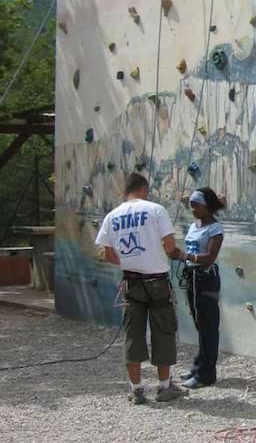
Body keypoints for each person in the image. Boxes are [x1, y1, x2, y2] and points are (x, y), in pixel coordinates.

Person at [95, 173, 191, 405]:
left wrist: (130, 260)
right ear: (144, 189)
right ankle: (164, 388)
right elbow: (169, 246)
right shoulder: (156, 209)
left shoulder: (112, 216)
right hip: (157, 282)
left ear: (125, 190)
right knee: (163, 332)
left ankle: (136, 391)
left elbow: (106, 254)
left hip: (131, 283)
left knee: (132, 335)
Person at [178, 188, 225, 389]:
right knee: (200, 323)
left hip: (206, 278)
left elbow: (210, 257)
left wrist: (185, 257)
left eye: (196, 205)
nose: (193, 209)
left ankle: (206, 374)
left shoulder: (215, 229)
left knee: (209, 325)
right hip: (192, 277)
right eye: (191, 205)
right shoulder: (193, 226)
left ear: (207, 207)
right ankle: (199, 365)